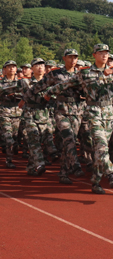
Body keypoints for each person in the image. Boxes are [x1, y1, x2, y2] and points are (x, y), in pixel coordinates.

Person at [44, 44, 113, 194]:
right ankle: (110, 174)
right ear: (94, 55)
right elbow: (66, 84)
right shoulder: (85, 73)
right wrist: (49, 92)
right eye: (100, 53)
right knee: (101, 145)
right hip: (93, 112)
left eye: (106, 53)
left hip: (109, 113)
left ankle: (95, 181)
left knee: (100, 150)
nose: (104, 55)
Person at [29, 49, 85, 184]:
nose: (73, 60)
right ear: (64, 58)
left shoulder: (82, 75)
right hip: (61, 110)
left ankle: (63, 173)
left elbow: (88, 91)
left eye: (75, 57)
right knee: (69, 138)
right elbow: (38, 87)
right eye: (70, 57)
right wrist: (30, 99)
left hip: (77, 111)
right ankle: (76, 165)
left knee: (69, 143)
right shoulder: (55, 74)